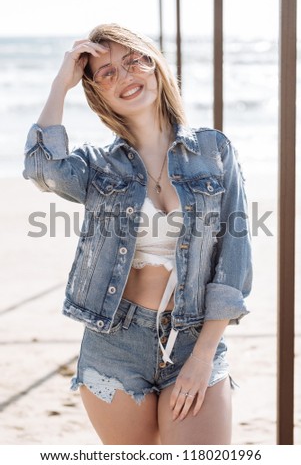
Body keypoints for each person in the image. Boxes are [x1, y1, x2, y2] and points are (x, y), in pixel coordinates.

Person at [23, 23, 252, 445]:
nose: (125, 77)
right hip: (114, 342)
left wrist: (202, 357)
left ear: (156, 67)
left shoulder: (213, 150)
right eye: (107, 73)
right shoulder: (98, 165)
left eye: (134, 61)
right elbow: (42, 168)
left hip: (193, 336)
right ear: (97, 92)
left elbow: (233, 259)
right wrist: (62, 82)